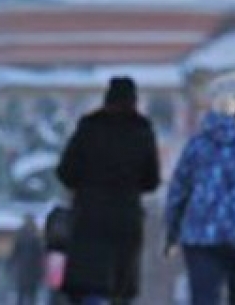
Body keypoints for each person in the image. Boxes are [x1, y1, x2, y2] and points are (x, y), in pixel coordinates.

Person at [57, 76, 161, 304]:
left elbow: (65, 172)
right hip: (126, 217)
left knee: (89, 283)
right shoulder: (142, 129)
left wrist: (86, 184)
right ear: (134, 100)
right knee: (120, 287)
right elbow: (152, 180)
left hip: (89, 217)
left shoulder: (89, 126)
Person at [165, 74, 235, 305]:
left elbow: (178, 191)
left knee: (204, 298)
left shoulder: (197, 144)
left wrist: (172, 232)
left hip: (201, 235)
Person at [8, 214, 46, 305]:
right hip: (27, 271)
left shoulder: (34, 236)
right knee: (25, 295)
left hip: (30, 271)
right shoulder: (30, 236)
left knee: (27, 296)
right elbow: (15, 252)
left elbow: (40, 255)